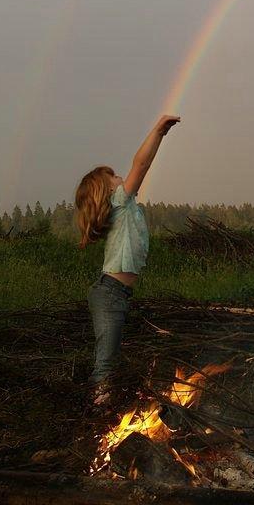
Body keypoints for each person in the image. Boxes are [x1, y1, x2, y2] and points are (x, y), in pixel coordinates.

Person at [74, 114, 180, 405]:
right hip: (109, 294)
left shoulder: (125, 205)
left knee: (110, 359)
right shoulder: (119, 202)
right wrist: (158, 130)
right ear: (109, 191)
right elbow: (141, 164)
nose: (122, 179)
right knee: (105, 363)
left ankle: (105, 406)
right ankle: (98, 418)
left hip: (116, 293)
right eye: (116, 178)